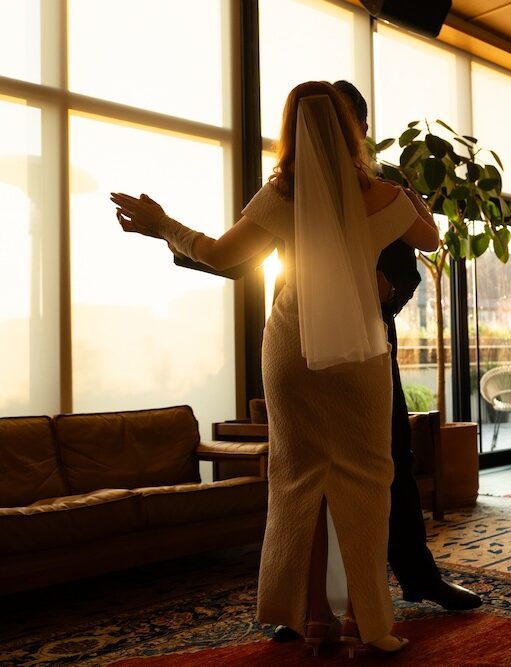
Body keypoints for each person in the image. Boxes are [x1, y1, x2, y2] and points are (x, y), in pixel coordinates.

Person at [111, 82, 439, 653]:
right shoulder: (386, 194)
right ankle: (367, 624)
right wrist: (418, 207)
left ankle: (313, 621)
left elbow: (216, 254)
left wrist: (161, 223)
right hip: (360, 348)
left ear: (289, 130)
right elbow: (430, 238)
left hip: (291, 350)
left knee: (298, 480)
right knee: (367, 482)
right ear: (350, 127)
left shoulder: (280, 197)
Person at [331, 80, 480, 615]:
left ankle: (419, 576)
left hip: (374, 337)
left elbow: (412, 264)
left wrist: (387, 294)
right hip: (305, 346)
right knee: (315, 471)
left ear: (361, 130)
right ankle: (315, 601)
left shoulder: (381, 189)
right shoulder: (290, 186)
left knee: (395, 458)